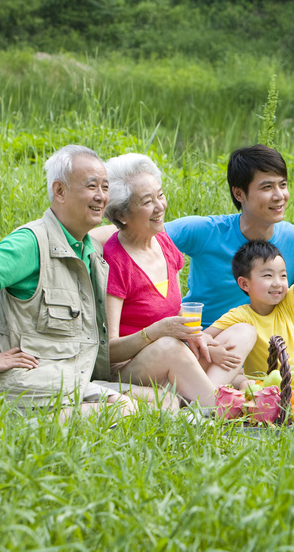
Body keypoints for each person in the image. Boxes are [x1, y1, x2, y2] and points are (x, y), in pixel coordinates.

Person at [0, 145, 140, 417]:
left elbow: (122, 231)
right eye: (91, 186)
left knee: (157, 399)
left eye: (105, 187)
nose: (101, 197)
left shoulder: (88, 248)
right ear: (59, 191)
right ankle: (26, 427)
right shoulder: (31, 242)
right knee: (125, 411)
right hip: (23, 381)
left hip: (65, 378)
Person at [98, 154, 255, 410]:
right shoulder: (114, 261)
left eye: (160, 195)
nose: (160, 206)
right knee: (169, 347)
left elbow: (178, 313)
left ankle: (201, 401)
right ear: (121, 214)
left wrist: (205, 343)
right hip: (130, 368)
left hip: (175, 355)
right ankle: (218, 406)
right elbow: (108, 351)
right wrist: (156, 332)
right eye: (147, 201)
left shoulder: (164, 243)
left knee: (243, 330)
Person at [163, 145, 294, 365]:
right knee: (242, 334)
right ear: (239, 193)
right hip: (206, 349)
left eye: (283, 185)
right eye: (267, 187)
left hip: (264, 354)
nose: (279, 196)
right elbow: (141, 234)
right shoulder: (206, 231)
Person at [210, 240, 294, 375]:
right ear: (245, 284)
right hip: (266, 389)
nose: (277, 283)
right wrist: (212, 351)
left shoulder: (287, 305)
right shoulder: (240, 316)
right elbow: (201, 338)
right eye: (268, 275)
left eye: (283, 276)